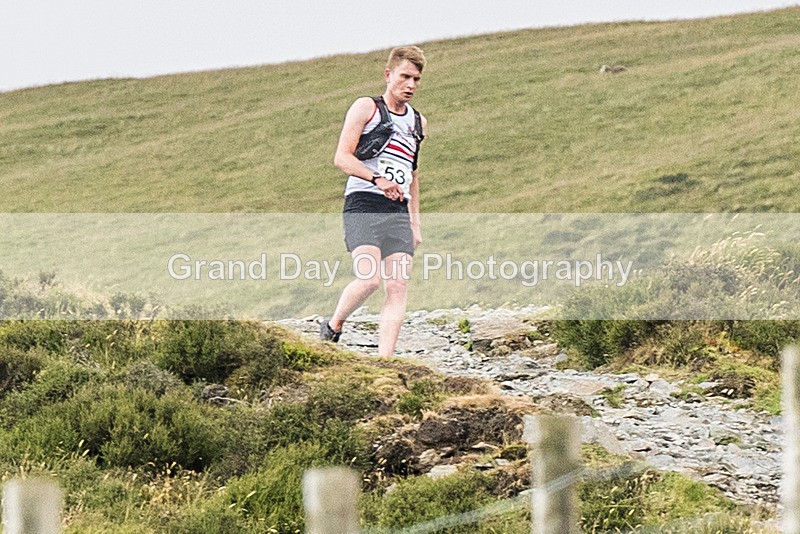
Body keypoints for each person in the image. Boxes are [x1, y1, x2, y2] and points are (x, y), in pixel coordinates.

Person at [320, 46, 428, 357]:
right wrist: (377, 179)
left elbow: (413, 173)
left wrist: (415, 222)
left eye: (416, 79)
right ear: (388, 75)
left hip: (398, 210)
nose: (410, 85)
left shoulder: (418, 123)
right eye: (405, 76)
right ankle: (334, 326)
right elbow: (342, 157)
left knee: (398, 286)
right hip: (364, 202)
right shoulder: (367, 107)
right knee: (369, 280)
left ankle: (386, 361)